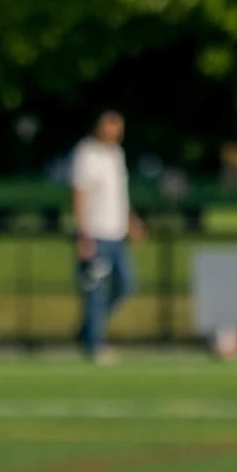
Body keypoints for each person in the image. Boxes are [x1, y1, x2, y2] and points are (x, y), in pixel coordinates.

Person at [72, 110, 144, 362]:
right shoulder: (86, 154)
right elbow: (79, 194)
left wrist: (131, 220)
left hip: (116, 234)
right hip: (96, 233)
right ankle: (94, 343)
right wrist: (83, 233)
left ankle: (87, 329)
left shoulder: (116, 154)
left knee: (126, 284)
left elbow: (120, 194)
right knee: (97, 290)